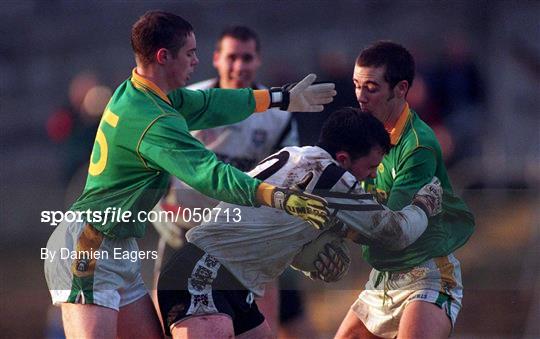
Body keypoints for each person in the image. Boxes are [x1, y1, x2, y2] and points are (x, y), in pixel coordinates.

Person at [43, 11, 336, 339]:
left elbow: (211, 103)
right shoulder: (153, 120)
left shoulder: (142, 92)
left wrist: (279, 97)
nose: (196, 62)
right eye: (190, 53)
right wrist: (275, 195)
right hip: (90, 243)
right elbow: (208, 173)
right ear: (164, 57)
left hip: (119, 246)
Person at [157, 108, 444, 339]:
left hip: (232, 284)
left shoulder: (296, 156)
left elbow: (266, 225)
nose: (369, 177)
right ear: (343, 159)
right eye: (369, 168)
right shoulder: (333, 179)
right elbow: (396, 233)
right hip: (202, 274)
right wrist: (423, 204)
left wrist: (306, 254)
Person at [150, 25, 303, 335]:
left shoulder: (278, 116)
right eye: (232, 57)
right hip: (184, 230)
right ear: (217, 59)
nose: (239, 66)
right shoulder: (189, 100)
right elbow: (151, 156)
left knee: (263, 326)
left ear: (258, 61)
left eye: (247, 58)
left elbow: (291, 178)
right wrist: (154, 204)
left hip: (242, 236)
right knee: (166, 325)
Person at [335, 41, 475, 339]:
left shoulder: (418, 145)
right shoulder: (361, 131)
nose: (359, 96)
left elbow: (392, 228)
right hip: (383, 278)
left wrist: (333, 225)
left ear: (400, 89)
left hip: (426, 274)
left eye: (371, 87)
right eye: (356, 85)